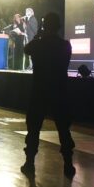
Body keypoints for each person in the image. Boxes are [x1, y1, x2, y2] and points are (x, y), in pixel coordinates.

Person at [20, 12, 76, 178]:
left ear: (44, 26)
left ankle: (30, 163)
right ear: (58, 27)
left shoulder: (38, 44)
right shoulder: (65, 45)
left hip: (40, 91)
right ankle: (68, 165)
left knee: (34, 129)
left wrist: (38, 35)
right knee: (64, 130)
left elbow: (26, 49)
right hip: (59, 91)